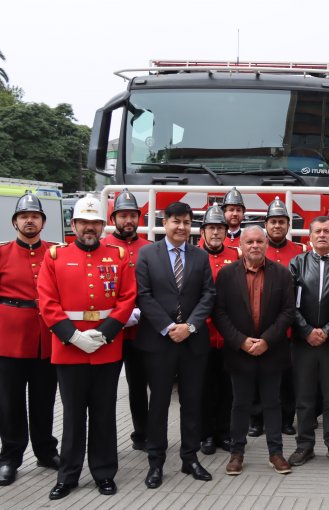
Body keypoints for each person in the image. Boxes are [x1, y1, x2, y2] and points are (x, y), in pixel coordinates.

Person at [37, 195, 136, 499]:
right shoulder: (54, 257)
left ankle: (104, 473)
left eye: (95, 222)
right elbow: (47, 301)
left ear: (103, 225)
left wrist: (105, 333)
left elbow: (127, 297)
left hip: (106, 347)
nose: (90, 227)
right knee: (73, 415)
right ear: (74, 224)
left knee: (105, 414)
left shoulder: (118, 255)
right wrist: (73, 336)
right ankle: (68, 475)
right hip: (69, 349)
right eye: (84, 222)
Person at [135, 201, 216, 489]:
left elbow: (208, 294)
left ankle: (189, 458)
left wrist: (190, 326)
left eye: (186, 222)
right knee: (158, 403)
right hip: (159, 342)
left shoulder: (199, 256)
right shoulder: (147, 254)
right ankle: (155, 462)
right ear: (165, 222)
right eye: (175, 221)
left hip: (193, 341)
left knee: (192, 402)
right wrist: (169, 328)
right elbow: (143, 296)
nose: (181, 227)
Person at [213, 226, 296, 475]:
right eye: (250, 242)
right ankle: (237, 453)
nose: (255, 246)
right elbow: (219, 312)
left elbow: (288, 312)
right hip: (240, 351)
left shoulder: (282, 274)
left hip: (272, 350)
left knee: (272, 403)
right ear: (241, 244)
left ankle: (276, 453)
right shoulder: (227, 275)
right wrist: (241, 341)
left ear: (267, 244)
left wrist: (267, 340)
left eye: (260, 241)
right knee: (240, 403)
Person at [0, 193, 60, 487]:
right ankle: (10, 457)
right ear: (15, 222)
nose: (30, 220)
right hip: (9, 339)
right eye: (24, 216)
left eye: (35, 216)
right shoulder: (1, 253)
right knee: (9, 403)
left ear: (42, 222)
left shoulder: (54, 253)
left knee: (44, 400)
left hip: (46, 339)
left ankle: (46, 452)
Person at [288, 216, 329, 468]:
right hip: (303, 342)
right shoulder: (298, 263)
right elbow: (289, 303)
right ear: (310, 236)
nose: (323, 234)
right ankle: (304, 446)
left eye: (328, 230)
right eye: (318, 231)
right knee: (304, 397)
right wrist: (306, 330)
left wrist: (326, 330)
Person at [106, 188, 153, 452]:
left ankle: (143, 434)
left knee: (138, 385)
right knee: (106, 389)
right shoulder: (102, 248)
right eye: (123, 215)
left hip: (142, 328)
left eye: (132, 215)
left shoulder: (149, 248)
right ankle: (106, 438)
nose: (128, 220)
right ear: (114, 219)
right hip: (110, 329)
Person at [198, 205, 239, 455]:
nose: (216, 232)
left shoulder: (236, 255)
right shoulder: (193, 256)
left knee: (227, 388)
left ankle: (224, 433)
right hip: (201, 333)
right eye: (211, 228)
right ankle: (206, 435)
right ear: (203, 231)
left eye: (220, 228)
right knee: (203, 388)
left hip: (227, 335)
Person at [262, 197, 305, 437]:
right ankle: (257, 420)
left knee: (288, 379)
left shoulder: (299, 252)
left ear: (288, 226)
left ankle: (287, 420)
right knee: (260, 376)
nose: (277, 226)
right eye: (273, 222)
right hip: (261, 326)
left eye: (281, 222)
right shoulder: (256, 247)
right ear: (266, 225)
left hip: (289, 328)